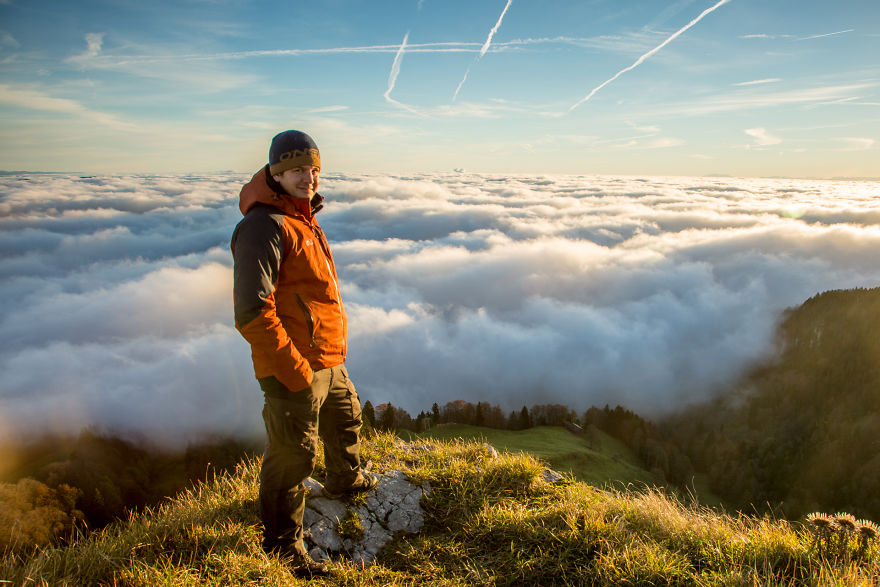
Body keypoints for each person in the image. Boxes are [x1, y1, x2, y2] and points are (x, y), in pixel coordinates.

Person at [231, 130, 375, 577]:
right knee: (293, 455)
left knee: (346, 416)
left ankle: (344, 480)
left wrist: (328, 356)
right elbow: (252, 312)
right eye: (297, 169)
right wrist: (293, 368)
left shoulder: (303, 219)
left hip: (327, 357)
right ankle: (280, 546)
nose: (308, 177)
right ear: (276, 173)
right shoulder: (263, 226)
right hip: (292, 365)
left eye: (313, 168)